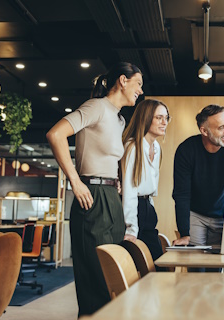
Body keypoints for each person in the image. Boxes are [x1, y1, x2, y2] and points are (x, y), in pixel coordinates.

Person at [46, 62, 143, 316]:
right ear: (123, 80)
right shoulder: (96, 106)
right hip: (92, 197)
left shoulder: (120, 119)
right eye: (138, 84)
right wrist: (75, 181)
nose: (140, 91)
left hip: (111, 197)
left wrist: (114, 181)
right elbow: (56, 134)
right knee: (96, 283)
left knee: (114, 280)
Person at [172, 104, 224, 246]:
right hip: (196, 214)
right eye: (221, 127)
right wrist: (184, 233)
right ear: (204, 131)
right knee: (196, 263)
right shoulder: (186, 150)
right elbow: (181, 194)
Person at [121, 99, 171, 261]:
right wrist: (131, 228)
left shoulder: (156, 147)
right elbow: (129, 191)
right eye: (159, 118)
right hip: (133, 210)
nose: (164, 122)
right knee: (141, 265)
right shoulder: (132, 147)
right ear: (146, 118)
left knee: (156, 262)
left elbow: (151, 186)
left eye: (166, 118)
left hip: (147, 208)